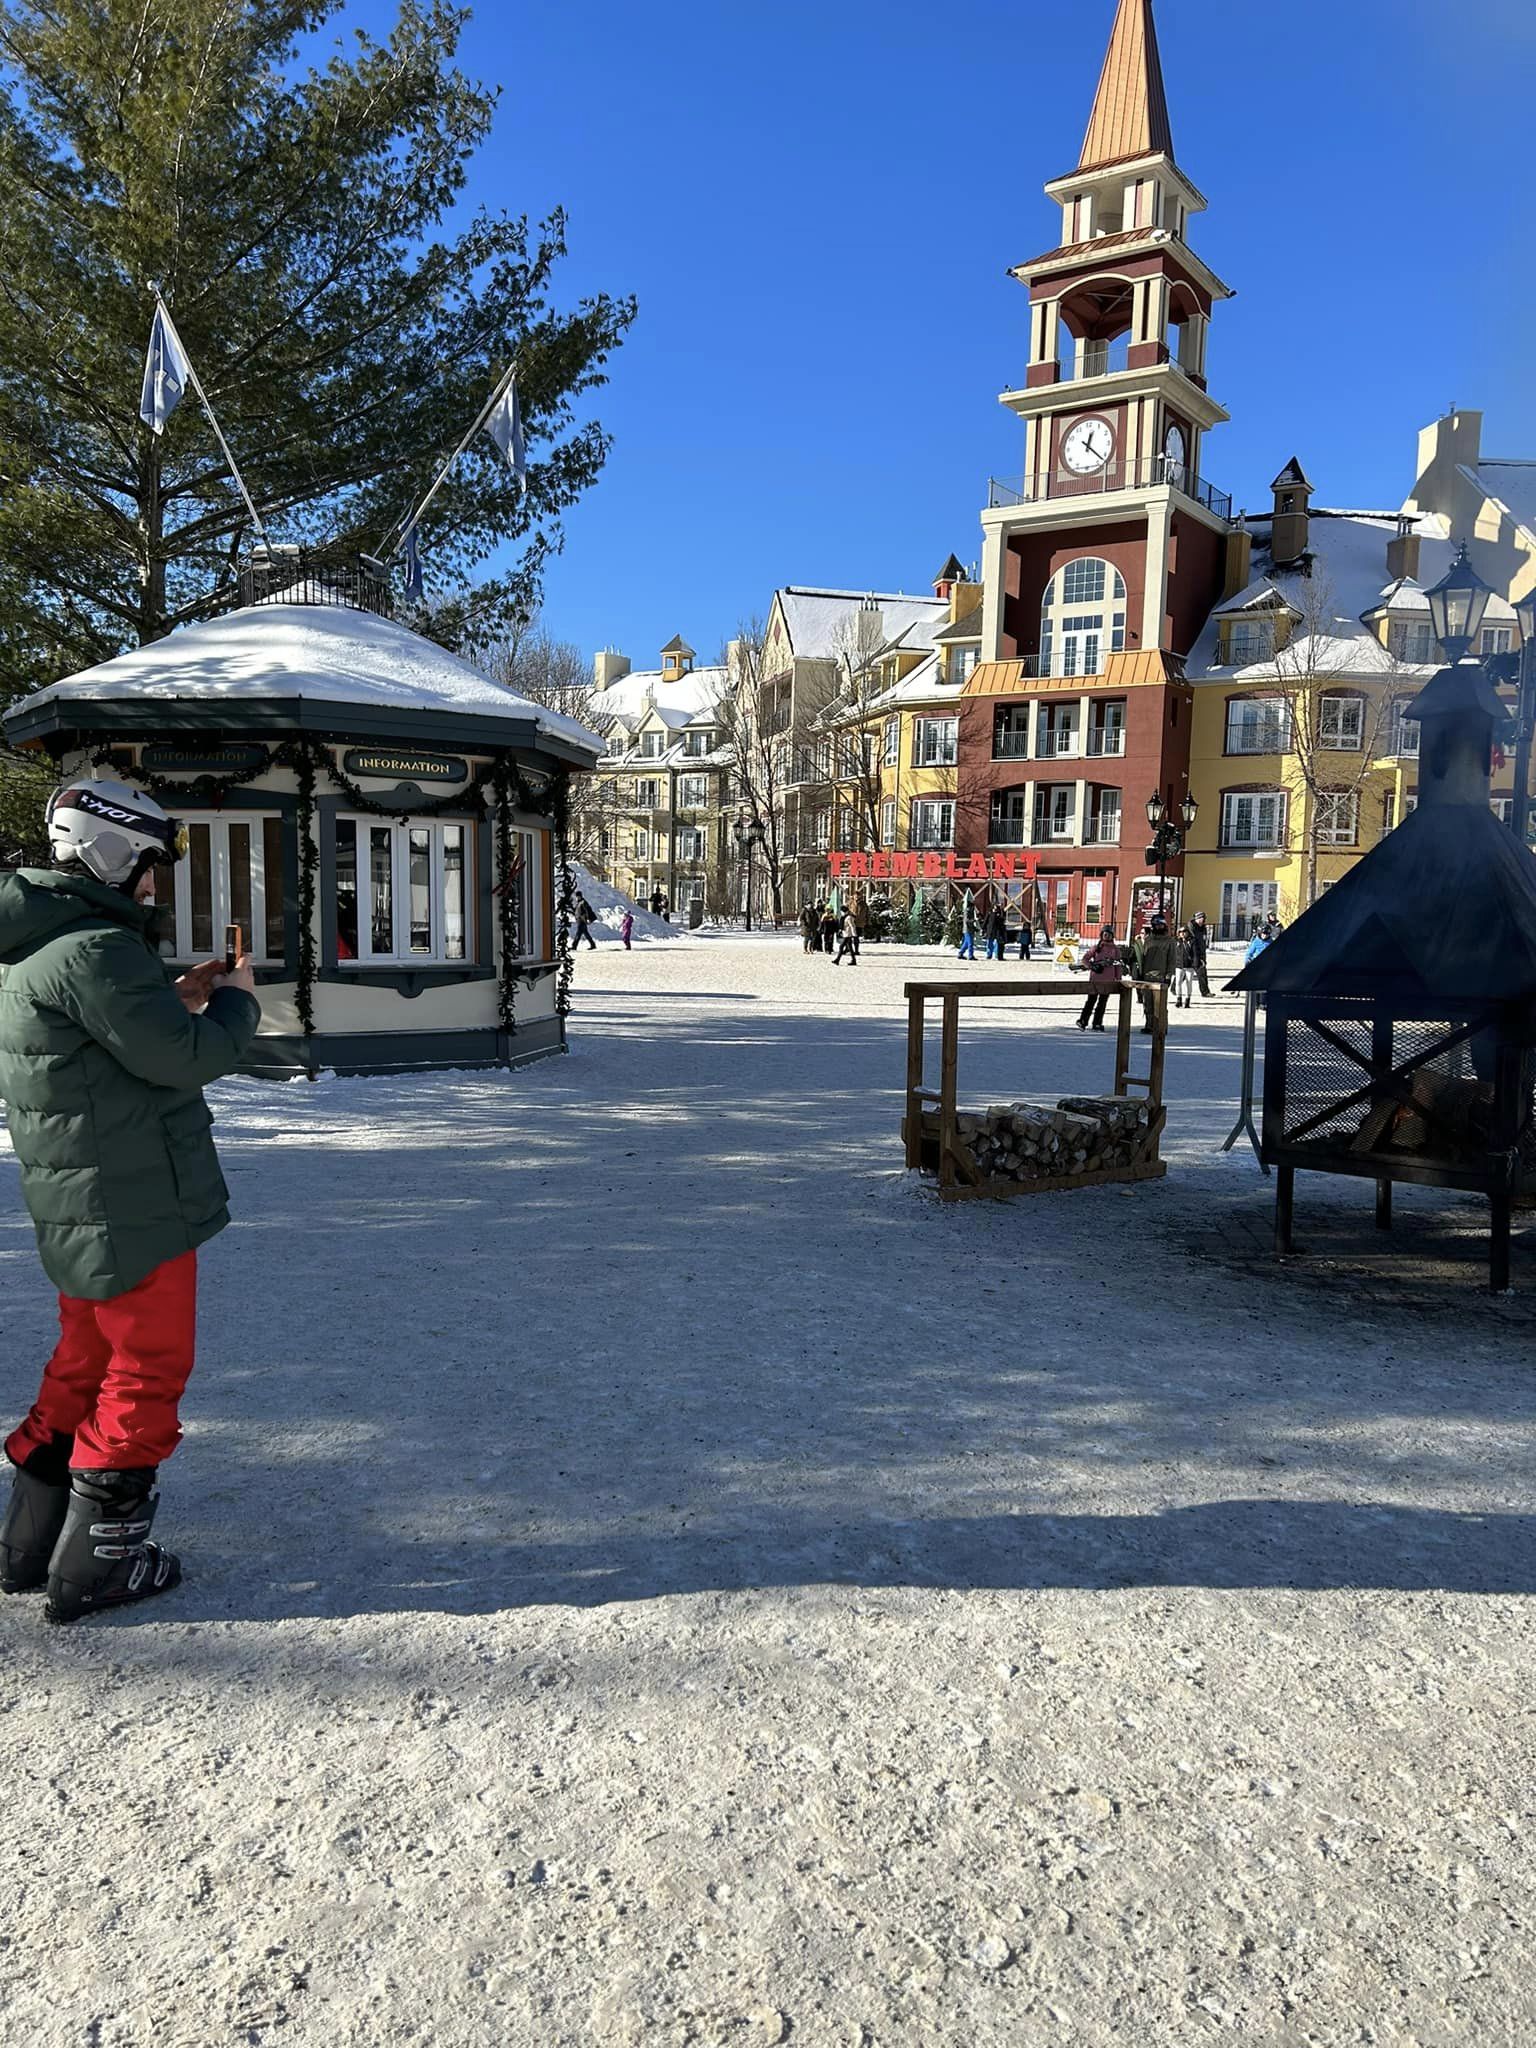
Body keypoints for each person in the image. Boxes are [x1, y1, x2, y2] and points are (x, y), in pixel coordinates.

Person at [0, 778, 261, 1624]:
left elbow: (102, 1040)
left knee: (84, 1361)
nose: (153, 883)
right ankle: (97, 1566)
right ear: (112, 853)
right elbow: (183, 1058)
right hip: (132, 1198)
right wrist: (236, 1002)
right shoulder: (96, 949)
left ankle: (29, 1545)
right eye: (149, 863)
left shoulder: (44, 940)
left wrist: (173, 998)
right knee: (146, 1368)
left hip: (84, 1197)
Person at [1131, 912, 1175, 1034]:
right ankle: (1149, 1025)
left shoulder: (1169, 941)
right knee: (1147, 1003)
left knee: (1160, 1004)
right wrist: (1139, 971)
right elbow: (1142, 957)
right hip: (1147, 976)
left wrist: (1168, 976)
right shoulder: (1148, 939)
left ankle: (1161, 1026)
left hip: (1160, 976)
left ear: (1164, 925)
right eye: (1156, 925)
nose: (1158, 927)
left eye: (1160, 924)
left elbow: (1172, 960)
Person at [1076, 925, 1124, 1031]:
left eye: (1109, 935)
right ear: (1101, 935)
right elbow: (1085, 959)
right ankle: (1083, 1021)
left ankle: (1097, 1022)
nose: (1106, 936)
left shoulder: (1115, 950)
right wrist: (1092, 966)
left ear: (1112, 936)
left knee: (1102, 1003)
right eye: (1105, 934)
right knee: (1091, 1001)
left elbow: (1118, 965)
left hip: (1108, 981)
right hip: (1095, 980)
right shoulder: (1096, 948)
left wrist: (1118, 979)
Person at [1188, 909, 1212, 998]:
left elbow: (1203, 943)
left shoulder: (1203, 929)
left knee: (1202, 974)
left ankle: (1205, 992)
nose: (1203, 921)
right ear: (1197, 919)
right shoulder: (1190, 928)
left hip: (1200, 955)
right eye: (1201, 919)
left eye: (1204, 919)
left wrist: (1203, 957)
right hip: (1191, 955)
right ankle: (1174, 987)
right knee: (1184, 973)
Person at [1173, 925, 1197, 1009]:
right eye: (1180, 932)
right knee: (1178, 983)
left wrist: (1195, 964)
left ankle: (1187, 1000)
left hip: (1189, 966)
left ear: (1188, 932)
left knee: (1188, 983)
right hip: (1179, 965)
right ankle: (1178, 999)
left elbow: (1195, 954)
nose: (1182, 933)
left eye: (1184, 931)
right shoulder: (1176, 942)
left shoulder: (1192, 941)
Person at [957, 889, 977, 961]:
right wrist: (973, 921)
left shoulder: (968, 912)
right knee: (970, 943)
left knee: (966, 943)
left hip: (968, 929)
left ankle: (960, 953)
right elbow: (967, 921)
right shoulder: (968, 912)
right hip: (968, 929)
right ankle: (970, 955)